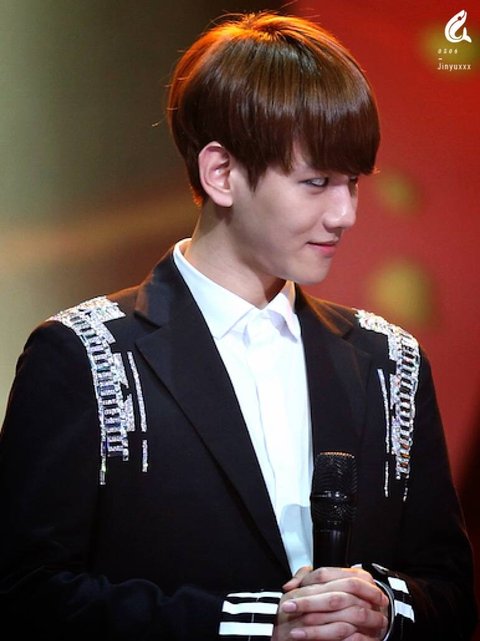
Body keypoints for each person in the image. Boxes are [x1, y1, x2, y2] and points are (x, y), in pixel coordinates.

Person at [0, 11, 476, 641]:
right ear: (221, 173)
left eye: (353, 183)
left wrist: (384, 610)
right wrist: (250, 624)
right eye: (317, 182)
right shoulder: (82, 357)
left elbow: (453, 592)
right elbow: (25, 594)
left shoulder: (393, 364)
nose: (345, 214)